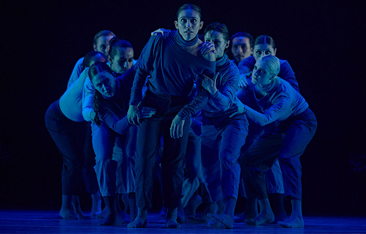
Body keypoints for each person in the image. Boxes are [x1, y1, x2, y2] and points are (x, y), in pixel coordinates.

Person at [127, 4, 216, 228]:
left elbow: (205, 93)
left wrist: (184, 114)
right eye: (184, 21)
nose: (188, 25)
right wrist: (133, 103)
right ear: (176, 24)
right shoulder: (160, 39)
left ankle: (172, 214)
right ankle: (141, 213)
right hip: (153, 103)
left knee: (175, 162)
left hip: (180, 107)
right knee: (145, 160)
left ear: (200, 25)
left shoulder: (206, 53)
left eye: (193, 21)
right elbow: (141, 71)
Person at [235, 55, 317, 228]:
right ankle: (266, 211)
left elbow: (264, 119)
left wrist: (242, 107)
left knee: (287, 157)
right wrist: (240, 78)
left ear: (272, 77)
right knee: (247, 161)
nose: (256, 73)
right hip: (280, 124)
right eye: (256, 68)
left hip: (301, 121)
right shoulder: (253, 78)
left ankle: (296, 215)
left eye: (262, 71)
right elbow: (238, 88)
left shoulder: (283, 94)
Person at [188, 22, 247, 229]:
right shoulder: (197, 64)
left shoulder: (231, 70)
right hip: (208, 122)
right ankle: (220, 211)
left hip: (232, 120)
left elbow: (225, 103)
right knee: (207, 170)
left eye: (217, 42)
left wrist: (213, 90)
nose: (211, 45)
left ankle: (229, 214)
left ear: (226, 44)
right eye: (208, 41)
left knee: (227, 158)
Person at [88, 62, 156, 225]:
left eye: (106, 81)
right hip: (109, 123)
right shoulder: (99, 103)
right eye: (99, 85)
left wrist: (158, 37)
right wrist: (136, 112)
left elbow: (144, 60)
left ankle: (134, 210)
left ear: (113, 75)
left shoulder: (127, 78)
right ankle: (111, 209)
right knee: (103, 158)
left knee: (129, 155)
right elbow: (118, 127)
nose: (105, 87)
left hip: (130, 118)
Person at [45, 51, 107, 220]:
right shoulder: (87, 79)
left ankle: (75, 206)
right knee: (74, 161)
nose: (100, 68)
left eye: (104, 64)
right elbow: (87, 107)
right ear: (87, 69)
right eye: (95, 66)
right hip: (58, 119)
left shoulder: (100, 77)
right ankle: (65, 208)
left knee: (79, 161)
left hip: (75, 123)